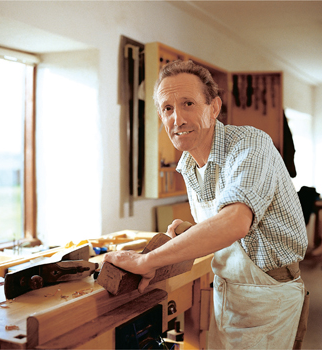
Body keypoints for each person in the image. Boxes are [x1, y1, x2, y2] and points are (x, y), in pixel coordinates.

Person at [102, 60, 309, 349]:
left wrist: (145, 261)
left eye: (188, 103)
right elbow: (227, 226)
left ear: (214, 108)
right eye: (168, 108)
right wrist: (193, 231)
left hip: (268, 296)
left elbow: (235, 222)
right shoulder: (189, 162)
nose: (177, 119)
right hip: (228, 292)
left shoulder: (250, 145)